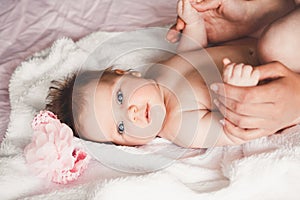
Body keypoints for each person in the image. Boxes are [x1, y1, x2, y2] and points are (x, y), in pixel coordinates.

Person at [168, 0, 300, 143]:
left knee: (277, 42)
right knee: (277, 45)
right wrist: (240, 86)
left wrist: (194, 23)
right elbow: (231, 130)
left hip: (259, 38)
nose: (138, 115)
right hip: (280, 67)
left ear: (138, 75)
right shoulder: (178, 124)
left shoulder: (162, 70)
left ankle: (272, 14)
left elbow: (193, 51)